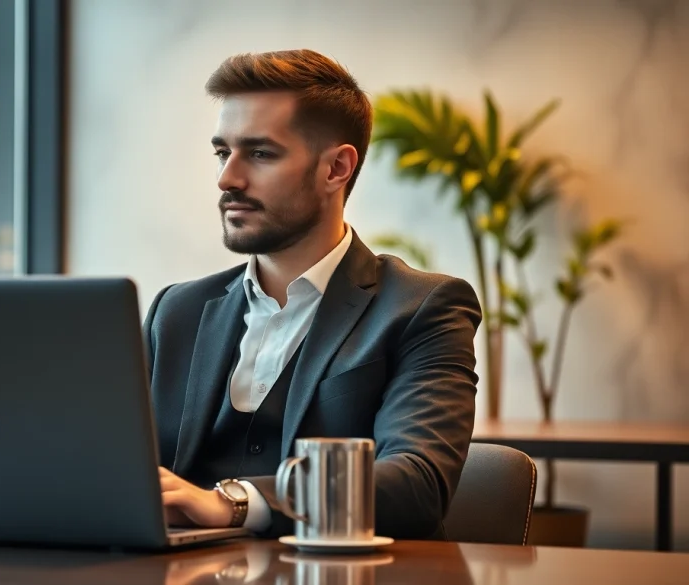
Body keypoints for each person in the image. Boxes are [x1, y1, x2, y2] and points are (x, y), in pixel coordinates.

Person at [142, 49, 482, 540]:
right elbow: (117, 467)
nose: (227, 178)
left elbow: (417, 484)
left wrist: (233, 503)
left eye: (260, 153)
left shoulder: (421, 309)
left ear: (336, 169)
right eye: (223, 152)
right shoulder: (176, 311)